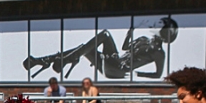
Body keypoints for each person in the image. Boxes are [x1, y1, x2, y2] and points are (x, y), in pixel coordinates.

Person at [24, 17, 178, 80]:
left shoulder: (159, 53)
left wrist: (136, 72)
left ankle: (67, 59)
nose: (155, 24)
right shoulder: (143, 39)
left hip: (118, 68)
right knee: (84, 48)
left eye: (159, 24)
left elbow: (158, 75)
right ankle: (44, 60)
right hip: (113, 62)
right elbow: (125, 47)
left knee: (104, 34)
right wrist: (129, 34)